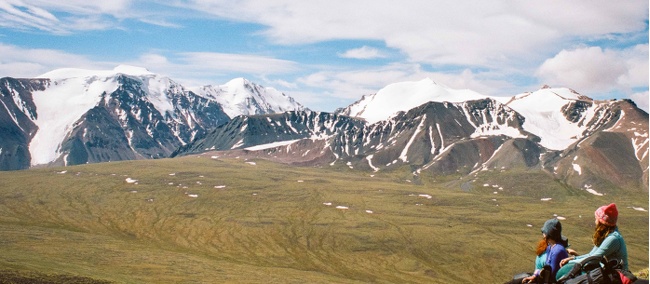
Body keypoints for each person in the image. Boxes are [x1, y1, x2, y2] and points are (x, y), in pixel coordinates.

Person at [556, 203, 628, 280]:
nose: (595, 222)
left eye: (596, 219)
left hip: (618, 277)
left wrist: (570, 263)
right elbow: (591, 255)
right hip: (610, 273)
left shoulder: (613, 239)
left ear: (601, 222)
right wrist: (573, 259)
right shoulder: (607, 235)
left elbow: (594, 258)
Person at [505, 218, 571, 284]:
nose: (543, 234)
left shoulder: (557, 250)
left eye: (544, 232)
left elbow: (551, 275)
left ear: (549, 234)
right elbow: (546, 269)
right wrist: (535, 275)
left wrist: (537, 275)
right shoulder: (550, 247)